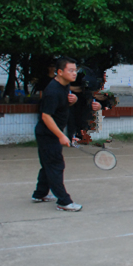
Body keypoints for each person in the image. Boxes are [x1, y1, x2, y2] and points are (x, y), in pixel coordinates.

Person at [31, 57, 87, 211]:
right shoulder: (52, 91)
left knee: (47, 164)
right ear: (60, 72)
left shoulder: (64, 85)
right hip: (47, 134)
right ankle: (64, 201)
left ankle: (39, 194)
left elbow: (63, 104)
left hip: (50, 134)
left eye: (75, 70)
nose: (74, 73)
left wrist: (73, 100)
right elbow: (46, 116)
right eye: (71, 70)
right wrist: (61, 135)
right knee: (56, 165)